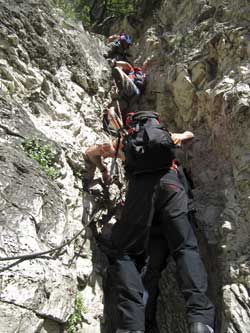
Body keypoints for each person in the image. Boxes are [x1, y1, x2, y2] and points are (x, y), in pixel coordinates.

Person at [84, 111, 215, 333]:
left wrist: (105, 170)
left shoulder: (125, 142)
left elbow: (90, 153)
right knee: (185, 249)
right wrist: (178, 137)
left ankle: (132, 326)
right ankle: (200, 320)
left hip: (140, 192)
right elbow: (190, 136)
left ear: (133, 125)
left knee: (127, 253)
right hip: (172, 186)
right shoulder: (166, 136)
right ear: (155, 123)